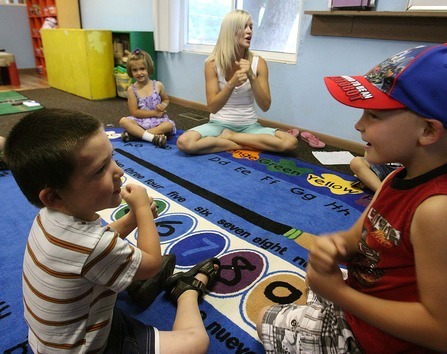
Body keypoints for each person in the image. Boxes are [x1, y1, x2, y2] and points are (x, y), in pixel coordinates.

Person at [256, 43, 447, 353]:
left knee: (263, 316)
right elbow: (361, 237)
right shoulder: (397, 177)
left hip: (378, 341)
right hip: (366, 296)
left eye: (373, 115)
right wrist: (337, 246)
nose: (358, 124)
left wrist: (340, 295)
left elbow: (445, 332)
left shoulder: (442, 212)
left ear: (426, 131)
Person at [5, 108, 219, 353]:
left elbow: (97, 242)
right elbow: (151, 265)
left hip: (58, 336)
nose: (118, 172)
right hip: (88, 347)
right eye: (100, 169)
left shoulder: (48, 217)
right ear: (54, 196)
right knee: (196, 343)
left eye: (112, 158)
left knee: (111, 265)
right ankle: (185, 290)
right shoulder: (93, 246)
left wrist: (130, 219)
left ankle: (125, 275)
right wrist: (142, 211)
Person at [176, 9, 297, 155]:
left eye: (251, 27)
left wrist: (252, 77)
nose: (249, 32)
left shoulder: (259, 63)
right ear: (231, 31)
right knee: (185, 142)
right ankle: (245, 144)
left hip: (249, 127)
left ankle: (230, 139)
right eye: (244, 27)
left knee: (290, 142)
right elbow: (213, 108)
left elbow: (265, 106)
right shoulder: (212, 64)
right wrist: (231, 84)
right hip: (218, 125)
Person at [119, 49, 176, 148]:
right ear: (130, 71)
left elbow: (166, 99)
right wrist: (154, 113)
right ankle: (153, 137)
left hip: (158, 121)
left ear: (148, 69)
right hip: (140, 121)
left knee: (169, 125)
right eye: (135, 70)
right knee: (123, 121)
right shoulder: (131, 89)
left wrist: (162, 105)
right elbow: (134, 112)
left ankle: (137, 136)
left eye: (142, 69)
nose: (139, 73)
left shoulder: (158, 85)